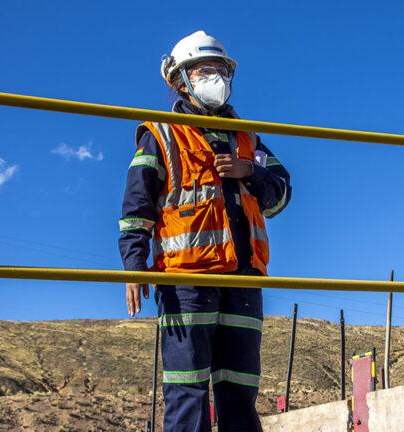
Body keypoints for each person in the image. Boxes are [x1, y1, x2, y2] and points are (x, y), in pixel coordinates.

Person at [118, 30, 291, 432]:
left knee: (239, 391)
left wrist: (250, 172)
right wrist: (133, 265)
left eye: (221, 70)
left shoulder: (248, 138)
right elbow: (137, 207)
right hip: (186, 282)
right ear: (180, 81)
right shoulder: (161, 133)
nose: (216, 78)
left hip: (244, 281)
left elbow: (280, 197)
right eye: (204, 71)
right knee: (187, 390)